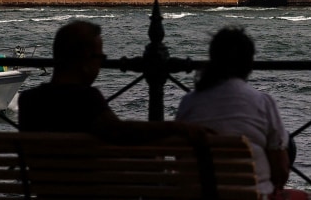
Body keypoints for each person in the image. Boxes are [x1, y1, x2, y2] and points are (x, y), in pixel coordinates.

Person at [175, 26, 311, 200]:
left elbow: (179, 156)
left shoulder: (188, 102)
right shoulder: (263, 102)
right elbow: (280, 171)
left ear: (212, 59)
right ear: (249, 65)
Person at [19, 20, 207, 142]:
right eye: (100, 57)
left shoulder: (28, 101)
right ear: (86, 60)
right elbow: (121, 131)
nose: (101, 64)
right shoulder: (87, 99)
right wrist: (176, 127)